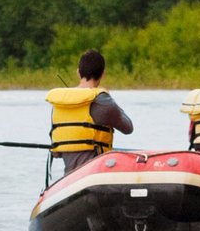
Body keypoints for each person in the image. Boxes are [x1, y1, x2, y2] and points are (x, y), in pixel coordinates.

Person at [43, 48, 133, 177]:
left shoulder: (59, 103)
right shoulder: (102, 100)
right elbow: (128, 128)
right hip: (96, 175)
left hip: (69, 179)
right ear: (102, 74)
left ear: (78, 73)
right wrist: (110, 100)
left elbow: (56, 153)